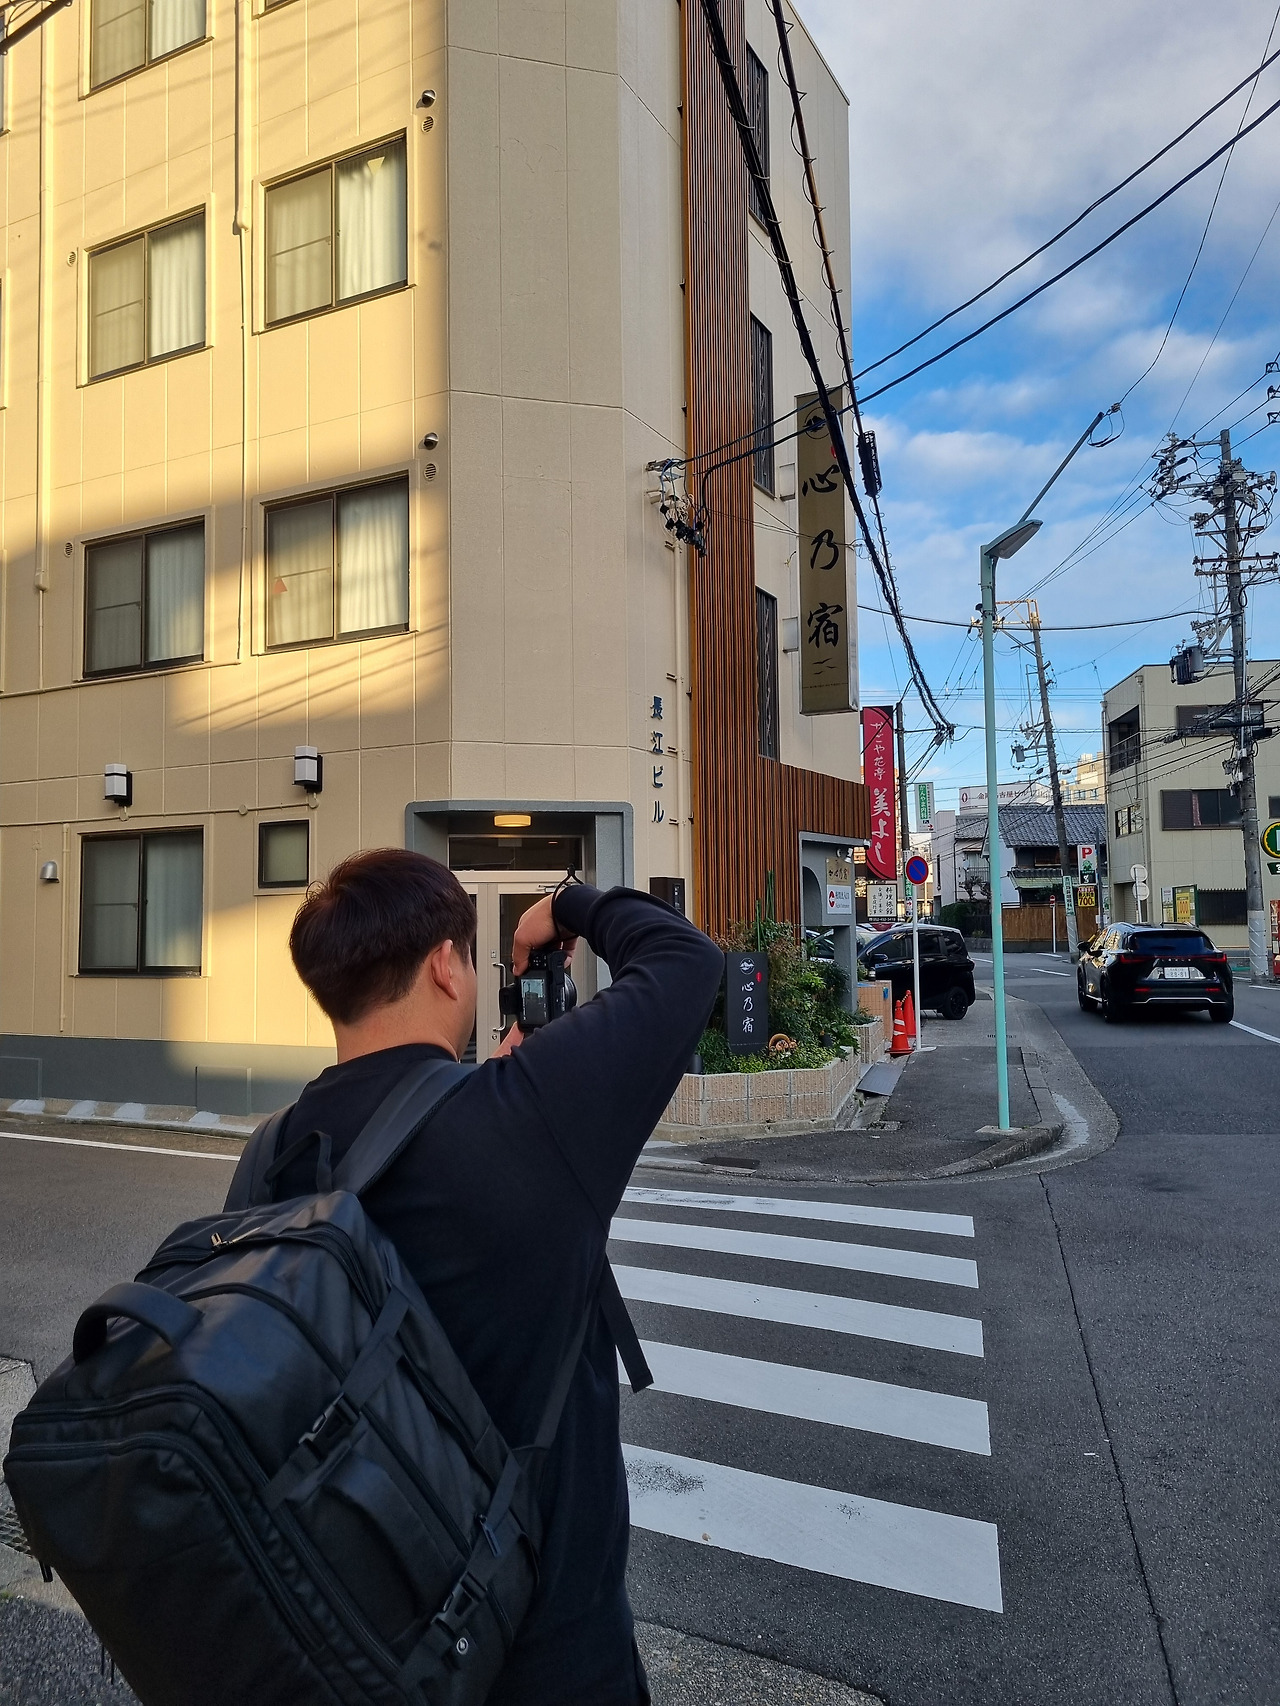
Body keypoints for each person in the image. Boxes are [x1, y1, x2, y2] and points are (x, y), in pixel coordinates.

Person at [271, 849, 724, 1706]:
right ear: (446, 967)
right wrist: (568, 904)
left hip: (356, 1641)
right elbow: (687, 959)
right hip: (542, 1648)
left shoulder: (273, 1156)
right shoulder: (526, 1117)